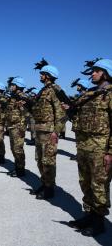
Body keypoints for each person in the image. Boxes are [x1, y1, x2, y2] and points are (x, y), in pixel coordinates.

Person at [66, 59, 112, 237]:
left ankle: (99, 222)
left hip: (101, 147)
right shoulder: (90, 93)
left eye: (96, 71)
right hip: (84, 145)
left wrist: (110, 152)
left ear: (105, 73)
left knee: (99, 185)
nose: (92, 74)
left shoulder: (110, 94)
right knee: (85, 182)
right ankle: (89, 215)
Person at [31, 62, 66, 199]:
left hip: (49, 131)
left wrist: (56, 132)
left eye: (42, 74)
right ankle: (44, 183)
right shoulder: (43, 90)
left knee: (48, 161)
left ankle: (50, 188)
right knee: (39, 159)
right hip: (40, 130)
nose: (40, 75)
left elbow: (61, 114)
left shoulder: (54, 90)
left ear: (48, 76)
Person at [5, 77, 29, 177]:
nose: (11, 87)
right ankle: (17, 167)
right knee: (13, 148)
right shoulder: (13, 96)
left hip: (18, 126)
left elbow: (26, 113)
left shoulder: (23, 96)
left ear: (18, 86)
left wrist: (22, 125)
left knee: (18, 148)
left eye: (12, 85)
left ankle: (20, 170)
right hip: (12, 126)